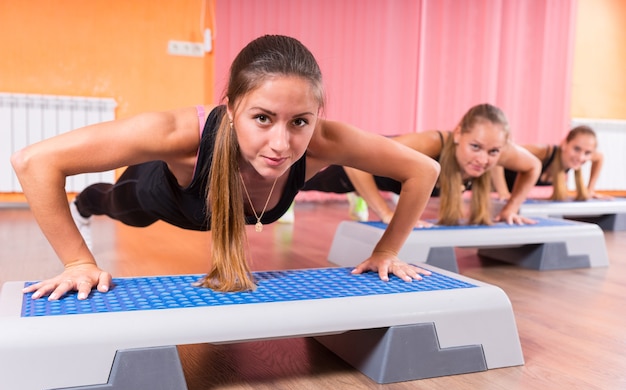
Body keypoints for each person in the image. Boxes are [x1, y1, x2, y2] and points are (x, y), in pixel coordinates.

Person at [11, 34, 440, 301]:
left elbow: (423, 170)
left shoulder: (327, 142)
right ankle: (92, 204)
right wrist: (76, 264)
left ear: (316, 116)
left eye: (300, 122)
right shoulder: (178, 134)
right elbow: (33, 162)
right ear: (232, 108)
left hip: (212, 205)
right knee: (113, 203)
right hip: (157, 197)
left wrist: (387, 250)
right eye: (263, 118)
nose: (281, 144)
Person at [302, 103, 541, 226]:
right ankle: (358, 192)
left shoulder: (501, 151)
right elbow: (353, 163)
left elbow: (533, 167)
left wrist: (511, 208)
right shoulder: (431, 143)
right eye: (475, 147)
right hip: (361, 165)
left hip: (388, 174)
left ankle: (359, 194)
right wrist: (385, 212)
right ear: (458, 134)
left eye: (493, 152)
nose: (483, 159)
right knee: (297, 182)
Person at [491, 125, 608, 201]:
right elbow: (498, 152)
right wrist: (503, 192)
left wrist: (590, 189)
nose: (581, 157)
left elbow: (599, 158)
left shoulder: (580, 158)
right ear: (564, 144)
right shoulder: (542, 152)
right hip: (485, 177)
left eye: (587, 153)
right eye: (576, 149)